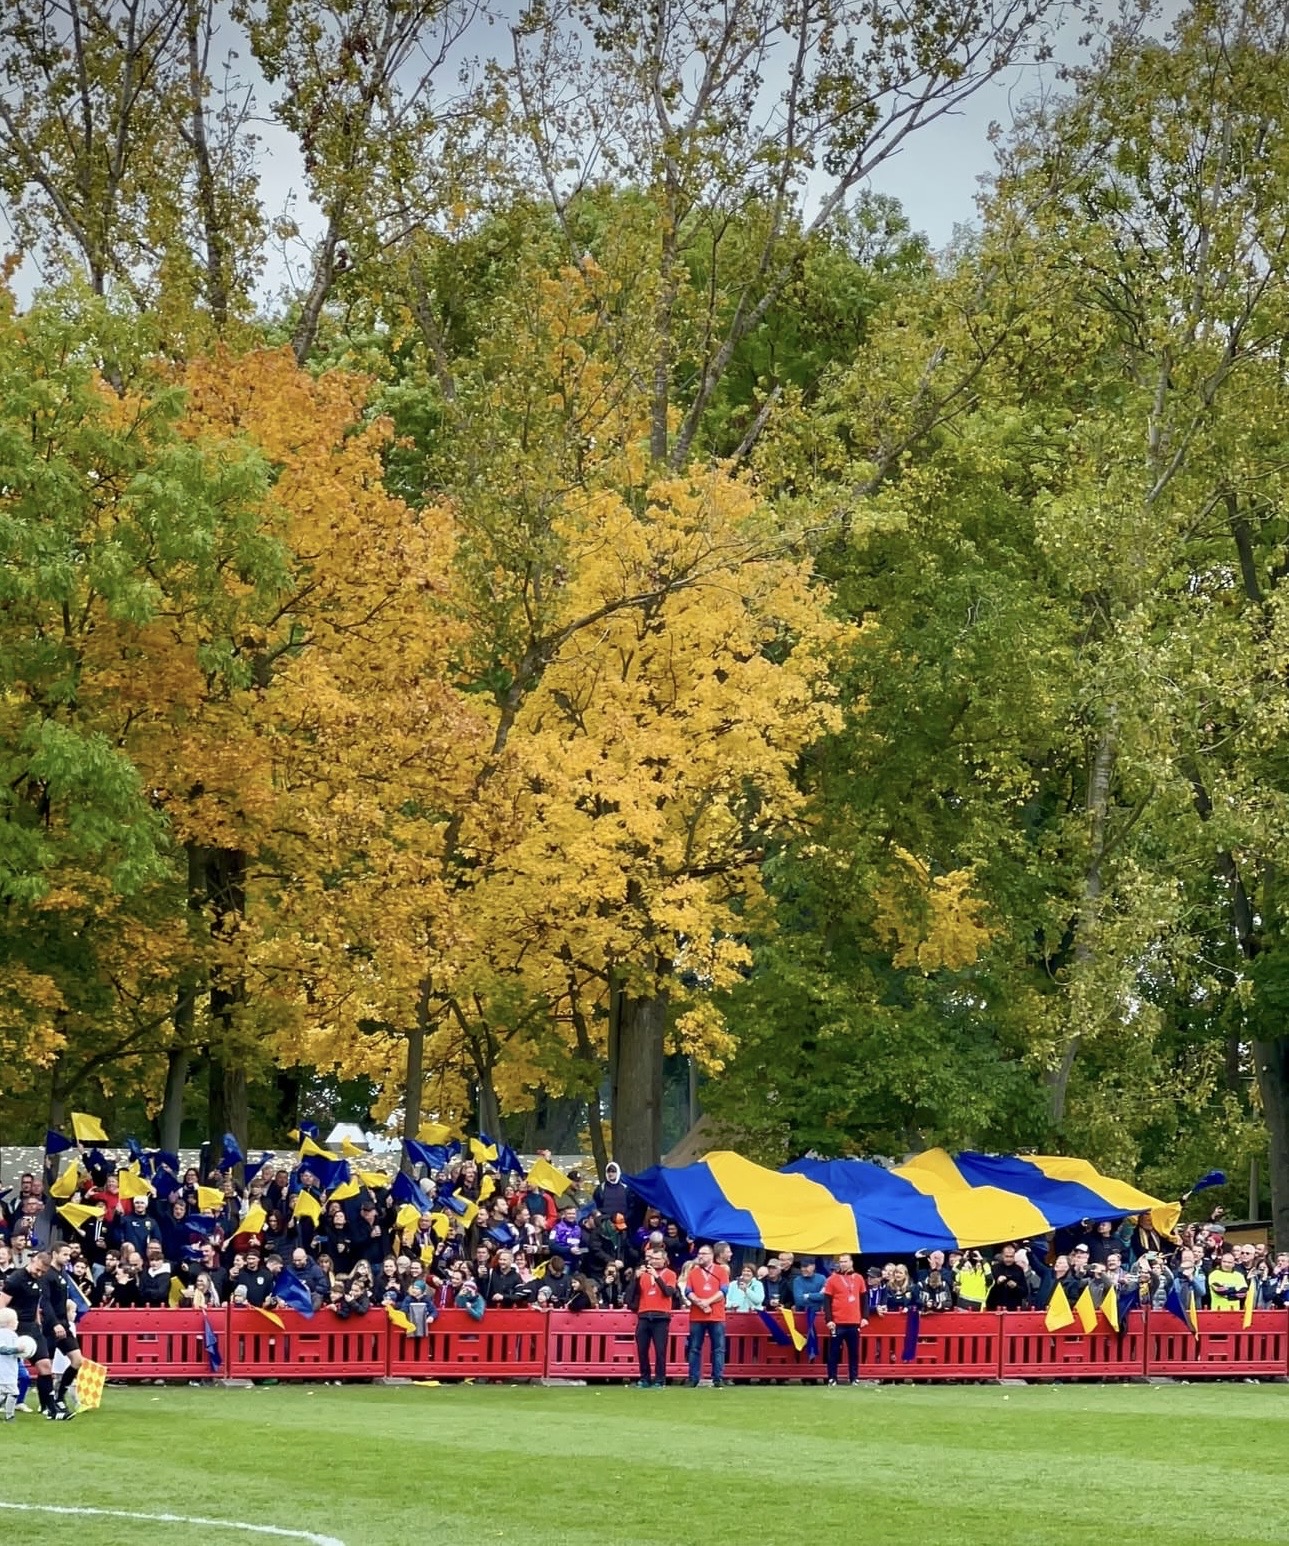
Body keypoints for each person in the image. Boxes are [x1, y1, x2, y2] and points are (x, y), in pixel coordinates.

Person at [0, 1251, 69, 1419]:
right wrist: (5, 1328)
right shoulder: (16, 1279)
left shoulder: (40, 1279)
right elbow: (2, 1302)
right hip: (15, 1327)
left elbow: (36, 1302)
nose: (39, 1274)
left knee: (45, 1366)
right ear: (33, 1261)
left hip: (32, 1328)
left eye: (42, 1272)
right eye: (37, 1270)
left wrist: (38, 1321)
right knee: (7, 1370)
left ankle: (51, 1410)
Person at [41, 1243, 84, 1412]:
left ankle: (60, 1396)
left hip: (63, 1324)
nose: (68, 1258)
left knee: (77, 1360)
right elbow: (46, 1303)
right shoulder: (47, 1275)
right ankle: (46, 1403)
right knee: (46, 1367)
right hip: (50, 1326)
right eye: (64, 1254)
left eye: (69, 1255)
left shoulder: (63, 1274)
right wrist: (55, 1323)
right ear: (54, 1254)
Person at [628, 1246, 679, 1389]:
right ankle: (644, 1378)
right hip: (644, 1315)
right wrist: (635, 1279)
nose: (654, 1262)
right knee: (642, 1349)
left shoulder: (670, 1274)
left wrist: (657, 1277)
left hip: (661, 1316)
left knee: (660, 1350)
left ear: (665, 1260)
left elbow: (668, 1292)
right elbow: (631, 1295)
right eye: (652, 1259)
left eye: (657, 1259)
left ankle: (660, 1379)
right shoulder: (644, 1274)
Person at [683, 1244, 728, 1388]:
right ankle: (693, 1377)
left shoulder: (721, 1271)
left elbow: (724, 1291)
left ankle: (718, 1377)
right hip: (697, 1315)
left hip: (716, 1315)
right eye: (699, 1254)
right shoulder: (693, 1272)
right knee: (694, 1347)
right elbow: (688, 1291)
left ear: (711, 1256)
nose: (700, 1256)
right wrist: (699, 1302)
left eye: (704, 1253)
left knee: (718, 1348)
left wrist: (707, 1301)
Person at [823, 1254, 867, 1386]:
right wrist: (829, 1319)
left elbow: (864, 1299)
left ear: (851, 1262)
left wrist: (865, 1317)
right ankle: (832, 1377)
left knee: (854, 1352)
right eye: (841, 1262)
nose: (843, 1264)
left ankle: (854, 1377)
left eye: (845, 1261)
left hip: (854, 1321)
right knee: (834, 1351)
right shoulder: (832, 1279)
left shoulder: (859, 1278)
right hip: (837, 1321)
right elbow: (827, 1301)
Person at [0, 1307, 33, 1421]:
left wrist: (23, 1352)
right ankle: (10, 1416)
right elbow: (3, 1349)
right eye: (16, 1320)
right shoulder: (3, 1334)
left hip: (10, 1369)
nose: (18, 1323)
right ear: (10, 1322)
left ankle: (9, 1415)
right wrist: (17, 1349)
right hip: (4, 1370)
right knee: (13, 1392)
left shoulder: (13, 1335)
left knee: (4, 1393)